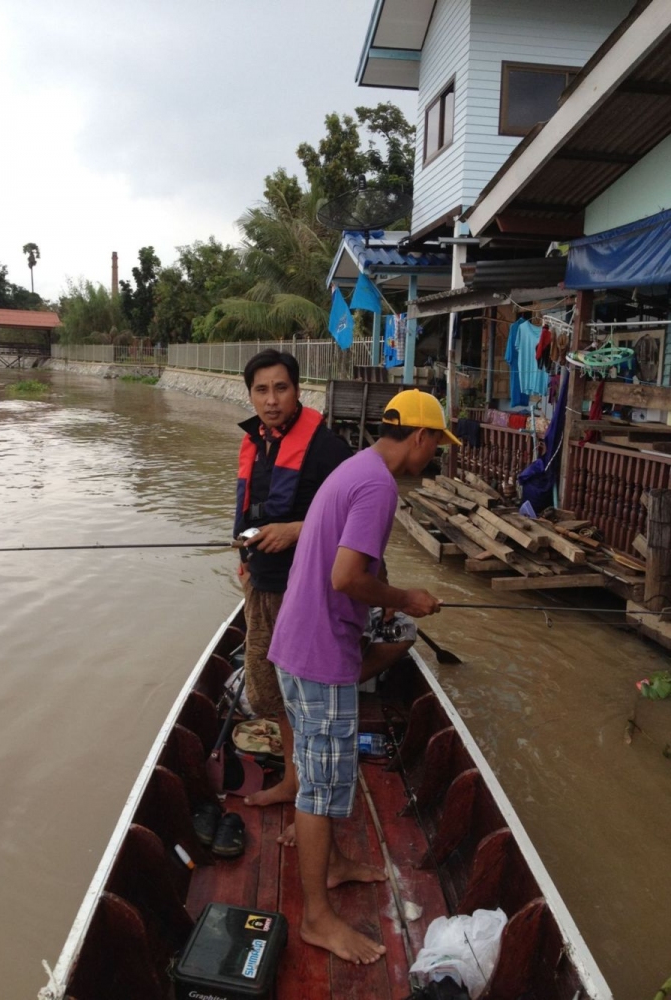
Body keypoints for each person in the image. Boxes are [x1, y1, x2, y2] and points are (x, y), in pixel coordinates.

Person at [267, 389, 462, 966]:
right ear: (421, 438)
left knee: (322, 768)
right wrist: (407, 598)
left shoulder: (358, 465)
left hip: (298, 644)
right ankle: (316, 919)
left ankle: (331, 863)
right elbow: (346, 576)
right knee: (320, 787)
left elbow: (344, 564)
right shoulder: (378, 487)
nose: (435, 456)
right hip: (320, 656)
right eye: (437, 445)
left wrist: (379, 600)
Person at [234, 349, 351, 809]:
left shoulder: (327, 448)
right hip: (260, 585)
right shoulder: (256, 442)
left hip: (306, 590)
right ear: (251, 396)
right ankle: (295, 778)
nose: (271, 399)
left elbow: (355, 519)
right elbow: (249, 510)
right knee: (268, 685)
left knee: (304, 690)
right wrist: (244, 554)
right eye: (261, 390)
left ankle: (311, 789)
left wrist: (296, 530)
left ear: (298, 390)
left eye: (281, 388)